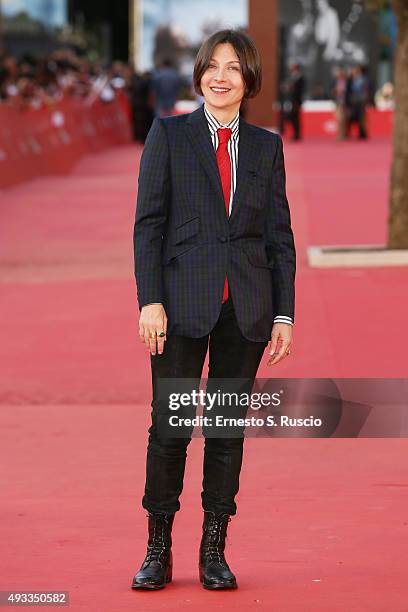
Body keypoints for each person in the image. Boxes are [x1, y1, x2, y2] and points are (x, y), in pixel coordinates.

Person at [131, 29, 296, 591]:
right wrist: (149, 300)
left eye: (233, 68)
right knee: (171, 427)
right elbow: (148, 225)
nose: (219, 77)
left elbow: (280, 237)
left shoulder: (266, 146)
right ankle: (157, 549)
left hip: (246, 309)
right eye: (211, 66)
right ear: (199, 74)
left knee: (226, 431)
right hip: (178, 305)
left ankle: (214, 551)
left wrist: (284, 314)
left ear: (249, 80)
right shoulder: (169, 135)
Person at [280, 63, 305, 141]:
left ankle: (297, 135)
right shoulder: (293, 78)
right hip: (292, 100)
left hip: (296, 101)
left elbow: (299, 90)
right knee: (293, 117)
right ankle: (296, 134)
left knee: (295, 117)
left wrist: (290, 88)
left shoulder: (300, 78)